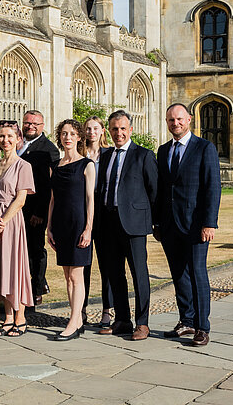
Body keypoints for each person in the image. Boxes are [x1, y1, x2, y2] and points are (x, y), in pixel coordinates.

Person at [155, 103, 221, 347]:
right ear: (167, 122)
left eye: (180, 119)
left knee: (197, 274)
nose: (176, 123)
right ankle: (187, 320)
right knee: (179, 275)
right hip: (169, 224)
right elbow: (161, 191)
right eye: (171, 120)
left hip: (195, 225)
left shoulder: (205, 148)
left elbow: (212, 187)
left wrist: (209, 223)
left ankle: (202, 327)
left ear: (189, 119)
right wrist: (157, 222)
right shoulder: (163, 151)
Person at [97, 111, 157, 340]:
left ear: (130, 130)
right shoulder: (105, 156)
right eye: (114, 129)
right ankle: (122, 320)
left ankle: (142, 323)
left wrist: (153, 222)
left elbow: (154, 193)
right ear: (108, 131)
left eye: (122, 128)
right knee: (115, 274)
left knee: (139, 275)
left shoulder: (144, 155)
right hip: (108, 222)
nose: (118, 133)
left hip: (133, 224)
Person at [0, 123, 35, 337]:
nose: (5, 140)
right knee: (0, 268)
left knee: (14, 268)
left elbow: (21, 199)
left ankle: (20, 317)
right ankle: (7, 317)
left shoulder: (23, 166)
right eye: (2, 136)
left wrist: (3, 221)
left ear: (17, 139)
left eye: (9, 136)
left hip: (11, 222)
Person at [47, 119, 95, 340]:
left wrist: (88, 228)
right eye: (64, 133)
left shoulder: (87, 164)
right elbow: (52, 199)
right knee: (67, 276)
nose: (67, 137)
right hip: (60, 224)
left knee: (77, 275)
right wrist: (49, 227)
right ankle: (75, 318)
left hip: (78, 224)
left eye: (72, 134)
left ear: (79, 137)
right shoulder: (56, 166)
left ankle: (75, 321)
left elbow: (89, 199)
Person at [18, 110, 60, 306]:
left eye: (35, 124)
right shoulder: (19, 144)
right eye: (27, 123)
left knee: (35, 249)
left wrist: (40, 213)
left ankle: (37, 288)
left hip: (34, 210)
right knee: (21, 250)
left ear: (43, 126)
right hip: (17, 209)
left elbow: (48, 185)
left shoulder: (48, 150)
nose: (31, 126)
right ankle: (26, 285)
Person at [81, 116, 113, 327]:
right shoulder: (79, 153)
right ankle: (80, 310)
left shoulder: (110, 154)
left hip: (105, 213)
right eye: (88, 129)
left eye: (95, 128)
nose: (91, 132)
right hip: (82, 212)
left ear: (102, 130)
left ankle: (107, 310)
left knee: (107, 264)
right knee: (82, 264)